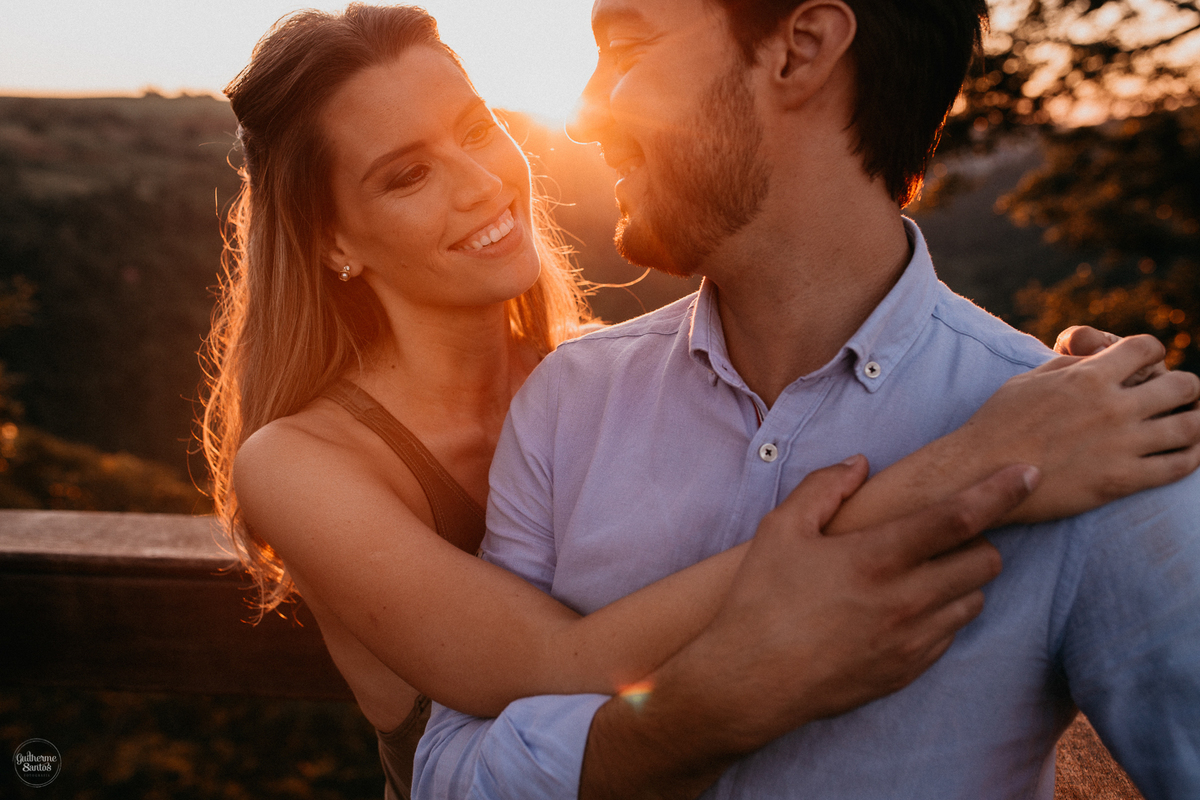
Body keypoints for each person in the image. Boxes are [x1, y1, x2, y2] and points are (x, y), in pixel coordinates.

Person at [198, 5, 1200, 800]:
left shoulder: (563, 379)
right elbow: (539, 675)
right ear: (334, 240)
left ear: (803, 50)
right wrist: (983, 466)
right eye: (408, 175)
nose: (478, 182)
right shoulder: (542, 414)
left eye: (476, 129)